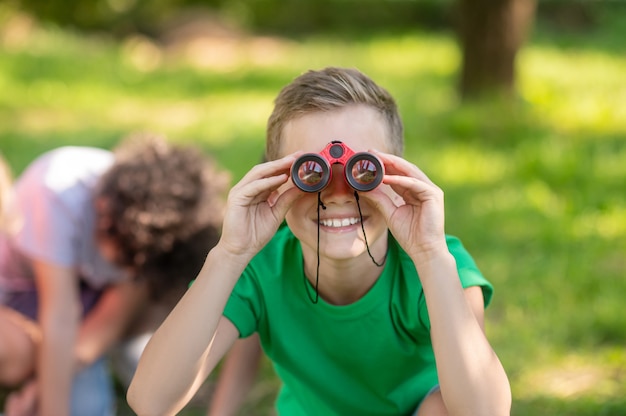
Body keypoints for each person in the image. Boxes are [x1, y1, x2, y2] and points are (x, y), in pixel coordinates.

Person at [128, 67, 512, 416]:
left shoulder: (438, 267)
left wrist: (431, 257)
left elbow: (485, 412)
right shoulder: (261, 269)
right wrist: (230, 254)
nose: (339, 193)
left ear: (398, 176)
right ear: (276, 178)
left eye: (364, 171)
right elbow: (151, 401)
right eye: (312, 172)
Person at [0, 133, 229, 416]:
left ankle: (135, 358)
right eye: (128, 261)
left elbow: (132, 294)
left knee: (149, 293)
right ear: (105, 215)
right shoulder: (56, 190)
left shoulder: (153, 219)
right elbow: (60, 313)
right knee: (75, 400)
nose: (129, 270)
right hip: (30, 294)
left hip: (93, 308)